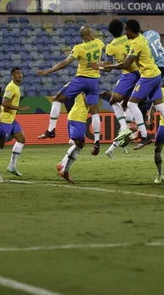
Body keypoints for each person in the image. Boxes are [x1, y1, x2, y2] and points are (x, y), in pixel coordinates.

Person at [95, 19, 164, 150]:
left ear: (130, 30)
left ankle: (145, 136)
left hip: (148, 76)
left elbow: (125, 64)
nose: (125, 33)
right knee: (160, 105)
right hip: (156, 73)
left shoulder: (136, 43)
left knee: (131, 103)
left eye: (126, 30)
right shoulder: (142, 38)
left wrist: (102, 66)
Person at [37, 25, 104, 156]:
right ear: (90, 34)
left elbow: (65, 63)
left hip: (81, 80)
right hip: (95, 81)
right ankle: (96, 141)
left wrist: (47, 71)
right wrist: (91, 35)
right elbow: (94, 38)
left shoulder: (79, 48)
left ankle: (51, 129)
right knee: (94, 112)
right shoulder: (99, 43)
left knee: (57, 98)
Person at [0, 67, 30, 179]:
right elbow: (4, 103)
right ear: (12, 75)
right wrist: (20, 108)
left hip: (12, 119)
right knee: (0, 145)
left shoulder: (16, 87)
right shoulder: (11, 87)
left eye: (21, 73)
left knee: (21, 139)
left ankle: (12, 166)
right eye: (17, 73)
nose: (20, 75)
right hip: (5, 120)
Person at [101, 19, 140, 154]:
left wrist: (98, 66)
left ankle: (126, 129)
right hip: (142, 71)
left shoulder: (110, 46)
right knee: (128, 104)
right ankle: (124, 140)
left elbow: (108, 68)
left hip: (129, 74)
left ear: (110, 32)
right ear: (123, 30)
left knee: (114, 101)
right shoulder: (130, 38)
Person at [55, 93, 90, 184]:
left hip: (78, 117)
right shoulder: (87, 86)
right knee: (79, 143)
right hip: (77, 118)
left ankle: (62, 165)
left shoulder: (85, 85)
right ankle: (64, 170)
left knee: (80, 144)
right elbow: (87, 99)